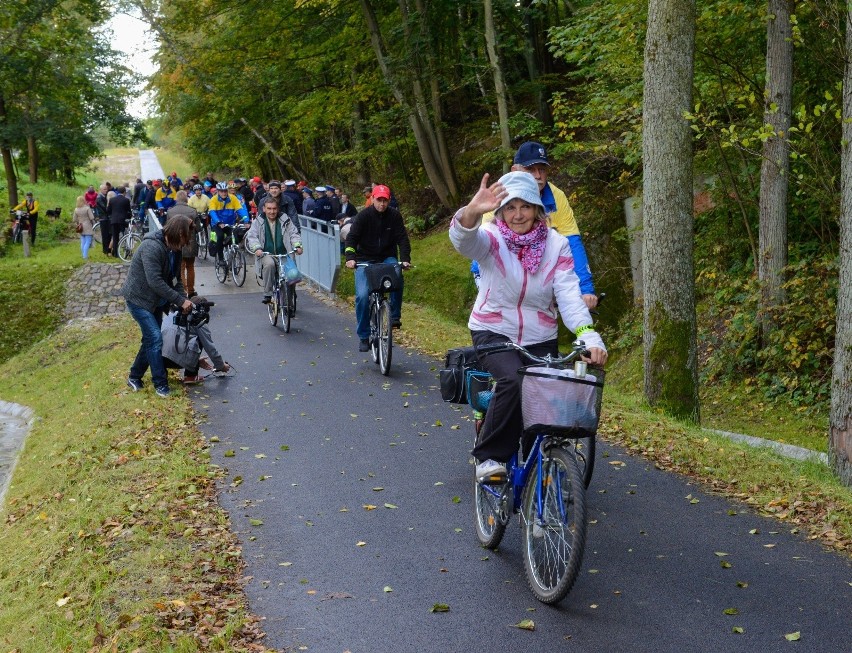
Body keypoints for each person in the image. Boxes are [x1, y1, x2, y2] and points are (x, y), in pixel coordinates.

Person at [449, 171, 607, 482]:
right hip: (492, 329)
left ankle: (537, 470)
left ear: (537, 209)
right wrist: (471, 211)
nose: (518, 215)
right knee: (513, 381)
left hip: (540, 335)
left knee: (545, 396)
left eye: (525, 206)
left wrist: (588, 336)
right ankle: (489, 456)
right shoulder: (492, 239)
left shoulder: (556, 245)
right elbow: (463, 241)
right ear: (500, 212)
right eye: (510, 207)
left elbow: (569, 295)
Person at [511, 141, 597, 309]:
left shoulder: (557, 196)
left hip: (543, 273)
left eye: (542, 169)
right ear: (515, 171)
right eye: (530, 169)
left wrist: (586, 289)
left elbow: (572, 242)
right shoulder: (500, 194)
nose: (537, 176)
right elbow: (488, 244)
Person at [121, 215, 195, 398]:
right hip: (139, 299)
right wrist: (179, 301)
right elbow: (155, 281)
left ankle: (134, 377)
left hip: (156, 300)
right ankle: (160, 384)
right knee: (155, 339)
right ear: (178, 233)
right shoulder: (151, 247)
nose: (186, 244)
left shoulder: (175, 249)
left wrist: (184, 298)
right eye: (185, 238)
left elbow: (176, 279)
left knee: (149, 340)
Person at [344, 184, 411, 352]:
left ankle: (394, 315)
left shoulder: (395, 216)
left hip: (386, 258)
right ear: (372, 199)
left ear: (389, 201)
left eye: (385, 200)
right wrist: (351, 258)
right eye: (379, 200)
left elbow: (402, 239)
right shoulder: (363, 217)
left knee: (397, 273)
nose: (382, 204)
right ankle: (364, 336)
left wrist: (404, 260)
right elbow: (351, 239)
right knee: (362, 296)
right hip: (364, 260)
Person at [246, 196, 303, 303]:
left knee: (293, 275)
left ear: (278, 209)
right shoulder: (258, 221)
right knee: (269, 265)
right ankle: (267, 294)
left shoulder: (285, 219)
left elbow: (293, 233)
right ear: (264, 209)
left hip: (284, 254)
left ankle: (289, 301)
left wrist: (297, 245)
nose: (272, 212)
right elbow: (252, 237)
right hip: (266, 254)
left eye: (274, 209)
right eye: (269, 209)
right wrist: (257, 248)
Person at [162, 295, 230, 385]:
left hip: (159, 359)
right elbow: (210, 348)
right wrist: (221, 366)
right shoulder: (198, 320)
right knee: (201, 339)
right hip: (175, 360)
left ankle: (161, 373)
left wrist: (196, 361)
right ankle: (190, 376)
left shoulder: (173, 314)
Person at [167, 191, 202, 297]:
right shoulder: (193, 211)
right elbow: (199, 229)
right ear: (186, 199)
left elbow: (167, 229)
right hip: (190, 244)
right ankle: (191, 291)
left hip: (176, 244)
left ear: (176, 199)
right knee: (190, 267)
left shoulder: (170, 212)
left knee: (180, 268)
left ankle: (184, 290)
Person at [208, 181, 249, 262]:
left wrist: (246, 220)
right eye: (221, 191)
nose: (224, 193)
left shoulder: (233, 198)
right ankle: (220, 259)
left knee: (236, 237)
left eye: (225, 191)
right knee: (219, 237)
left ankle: (231, 256)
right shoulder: (213, 199)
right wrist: (218, 222)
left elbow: (240, 209)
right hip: (218, 224)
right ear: (218, 191)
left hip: (230, 223)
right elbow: (212, 212)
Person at [107, 186, 132, 256]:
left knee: (115, 237)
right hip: (122, 220)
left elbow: (108, 210)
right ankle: (125, 249)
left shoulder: (112, 200)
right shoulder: (126, 200)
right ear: (124, 192)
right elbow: (128, 211)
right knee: (124, 235)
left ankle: (115, 253)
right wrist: (129, 217)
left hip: (114, 220)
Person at [73, 195, 96, 259]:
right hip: (88, 226)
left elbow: (74, 219)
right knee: (88, 241)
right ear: (84, 201)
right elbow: (92, 217)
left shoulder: (76, 209)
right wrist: (94, 224)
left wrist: (79, 222)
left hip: (81, 227)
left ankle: (83, 255)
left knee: (82, 241)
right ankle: (85, 256)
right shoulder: (87, 208)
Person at [95, 184, 111, 255]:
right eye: (104, 189)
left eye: (106, 189)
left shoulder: (104, 196)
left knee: (108, 234)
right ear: (100, 190)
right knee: (105, 235)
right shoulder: (99, 197)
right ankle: (105, 250)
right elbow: (105, 208)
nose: (106, 190)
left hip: (106, 218)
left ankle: (108, 249)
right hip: (103, 218)